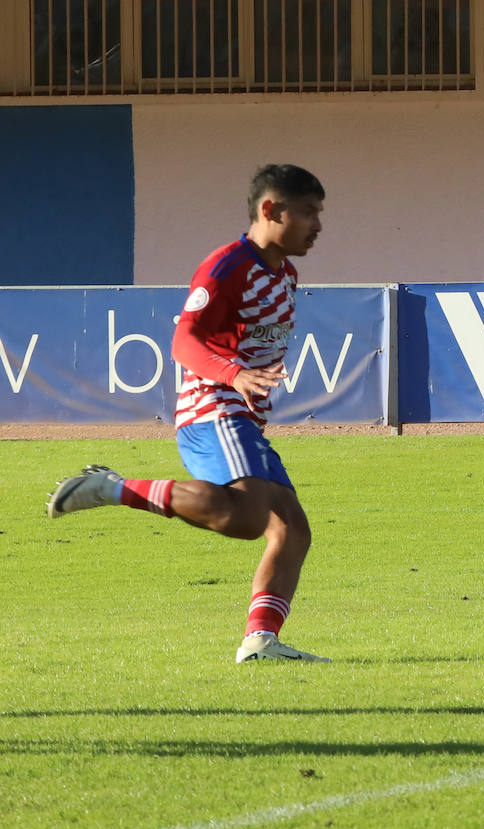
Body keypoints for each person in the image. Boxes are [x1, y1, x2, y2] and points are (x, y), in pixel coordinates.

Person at [46, 164, 329, 664]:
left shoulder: (285, 272)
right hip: (215, 407)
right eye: (307, 211)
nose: (317, 224)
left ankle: (261, 641)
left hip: (243, 416)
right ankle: (113, 488)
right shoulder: (225, 267)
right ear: (270, 210)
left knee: (291, 530)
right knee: (246, 519)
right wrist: (235, 375)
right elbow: (183, 340)